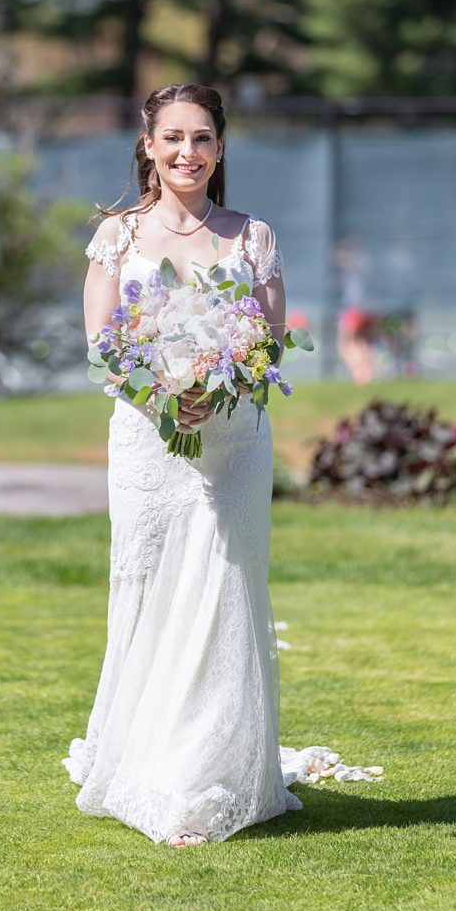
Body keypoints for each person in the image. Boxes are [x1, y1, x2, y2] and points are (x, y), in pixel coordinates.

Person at [62, 83, 381, 847]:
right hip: (147, 441)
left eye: (202, 138)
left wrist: (217, 381)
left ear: (221, 148)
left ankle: (212, 773)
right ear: (146, 143)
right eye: (172, 137)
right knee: (151, 588)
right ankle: (148, 759)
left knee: (225, 589)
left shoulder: (251, 237)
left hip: (234, 442)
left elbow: (268, 346)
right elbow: (101, 349)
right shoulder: (117, 237)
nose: (187, 153)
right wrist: (164, 390)